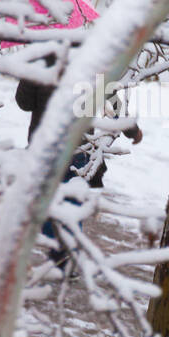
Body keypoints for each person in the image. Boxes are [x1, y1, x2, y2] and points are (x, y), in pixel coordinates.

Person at [16, 56, 140, 270]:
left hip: (44, 147)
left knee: (41, 201)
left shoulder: (42, 64)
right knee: (71, 205)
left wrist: (30, 76)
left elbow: (24, 103)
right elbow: (112, 102)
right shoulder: (94, 60)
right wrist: (132, 129)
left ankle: (50, 250)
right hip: (78, 149)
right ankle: (65, 257)